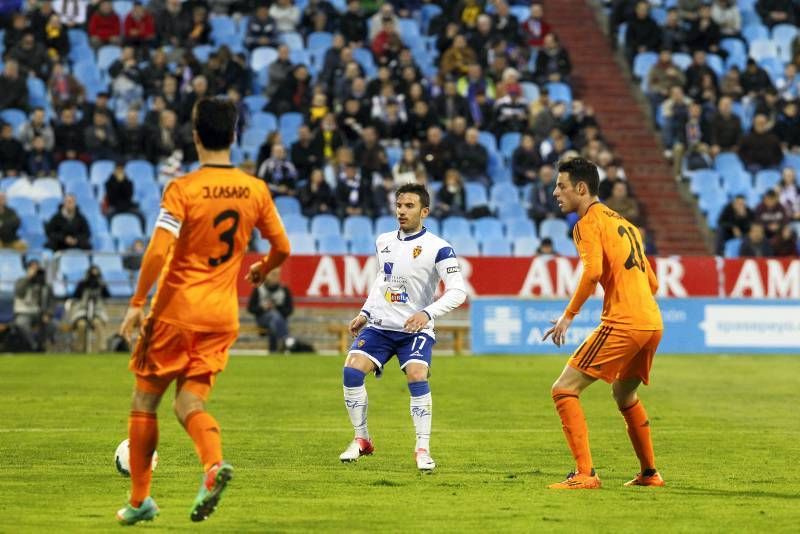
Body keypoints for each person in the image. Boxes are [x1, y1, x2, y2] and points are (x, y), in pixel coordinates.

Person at [115, 97, 291, 525]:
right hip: (221, 317)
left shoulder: (183, 189)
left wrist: (137, 303)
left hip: (176, 311)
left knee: (145, 401)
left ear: (195, 136)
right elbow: (283, 247)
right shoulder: (255, 189)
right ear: (234, 136)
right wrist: (263, 269)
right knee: (189, 402)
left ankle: (140, 501)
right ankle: (212, 467)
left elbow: (158, 249)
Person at [543, 157, 664, 489]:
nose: (555, 192)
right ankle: (650, 473)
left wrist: (569, 316)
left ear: (581, 189)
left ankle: (585, 474)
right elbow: (652, 283)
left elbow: (593, 272)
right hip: (652, 322)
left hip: (625, 322)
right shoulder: (626, 224)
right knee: (624, 395)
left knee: (563, 389)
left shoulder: (586, 223)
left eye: (561, 185)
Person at [339, 183, 467, 472]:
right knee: (351, 369)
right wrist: (365, 312)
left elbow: (458, 292)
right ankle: (362, 440)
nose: (401, 211)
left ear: (425, 211)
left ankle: (422, 449)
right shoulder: (384, 241)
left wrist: (426, 313)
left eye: (409, 206)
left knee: (417, 374)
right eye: (399, 205)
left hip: (414, 329)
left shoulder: (439, 248)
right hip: (381, 325)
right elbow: (382, 281)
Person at [13, 259, 56, 352]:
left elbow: (51, 302)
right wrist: (28, 277)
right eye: (32, 268)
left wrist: (48, 314)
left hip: (40, 313)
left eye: (37, 268)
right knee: (21, 323)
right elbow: (19, 292)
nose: (35, 271)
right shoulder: (20, 281)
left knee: (52, 325)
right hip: (24, 312)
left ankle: (42, 344)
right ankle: (33, 345)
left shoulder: (45, 285)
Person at [247, 267, 294, 352]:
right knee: (273, 316)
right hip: (262, 320)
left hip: (278, 321)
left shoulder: (284, 290)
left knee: (273, 323)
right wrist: (262, 307)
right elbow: (250, 308)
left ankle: (273, 351)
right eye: (273, 274)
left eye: (277, 274)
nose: (275, 277)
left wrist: (277, 308)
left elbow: (289, 310)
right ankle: (287, 340)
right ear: (266, 275)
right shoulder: (258, 289)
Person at [68, 265, 111, 352]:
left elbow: (108, 295)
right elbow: (75, 296)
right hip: (82, 311)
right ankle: (80, 349)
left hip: (97, 312)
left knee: (98, 323)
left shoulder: (101, 285)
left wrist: (102, 285)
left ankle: (102, 348)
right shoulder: (82, 284)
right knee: (81, 325)